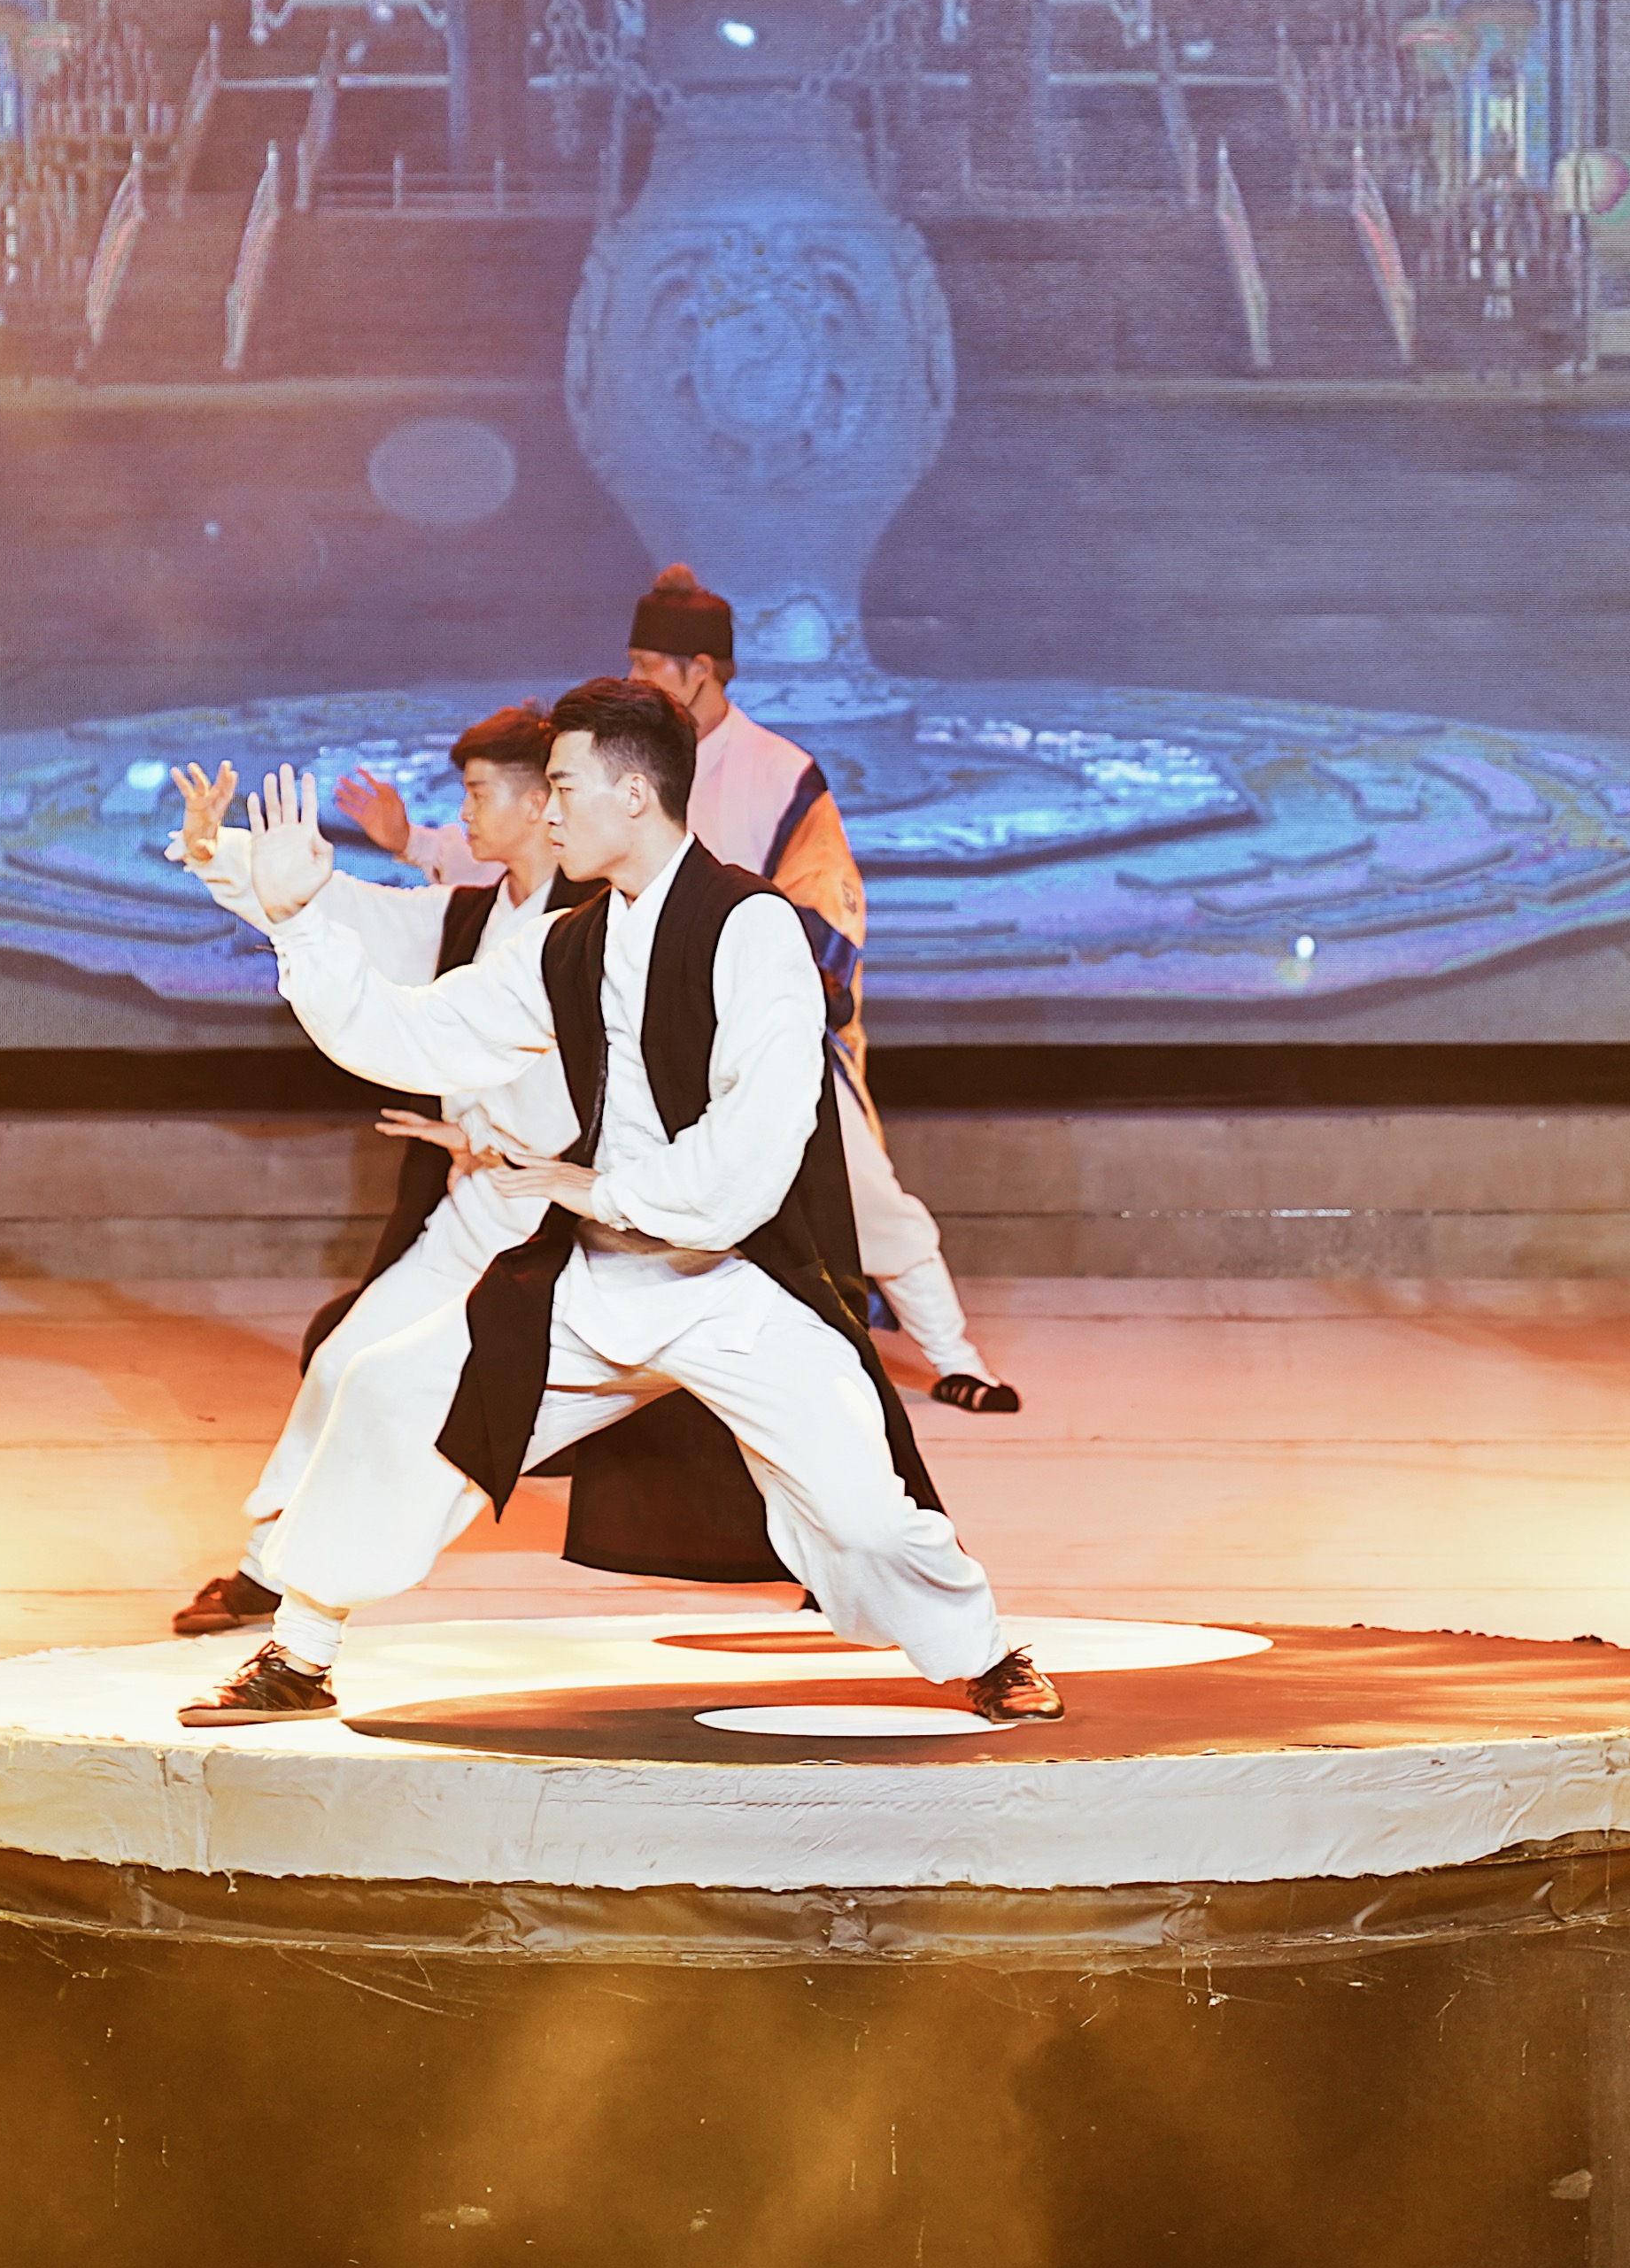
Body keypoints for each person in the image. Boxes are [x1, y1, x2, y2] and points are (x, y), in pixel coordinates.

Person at [184, 678, 1057, 1729]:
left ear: (634, 795)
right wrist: (296, 923)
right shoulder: (569, 942)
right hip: (594, 1285)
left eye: (562, 788)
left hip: (734, 1287)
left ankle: (983, 1652)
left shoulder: (751, 929)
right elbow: (416, 1036)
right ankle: (301, 1652)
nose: (547, 813)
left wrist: (602, 1187)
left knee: (865, 1513)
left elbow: (756, 1139)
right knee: (387, 1386)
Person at [344, 565, 1016, 1413]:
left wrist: (774, 988)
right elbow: (538, 852)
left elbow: (824, 894)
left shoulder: (778, 771)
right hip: (639, 1026)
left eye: (647, 664)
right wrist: (416, 844)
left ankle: (959, 1357)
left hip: (752, 1017)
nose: (634, 676)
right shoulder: (619, 761)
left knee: (866, 1197)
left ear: (701, 670)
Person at [172, 702, 582, 1640]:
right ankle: (269, 1570)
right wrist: (214, 850)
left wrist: (509, 1135)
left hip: (570, 1222)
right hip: (479, 1207)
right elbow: (344, 909)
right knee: (347, 1360)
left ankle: (859, 1557)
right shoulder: (469, 915)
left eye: (479, 792)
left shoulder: (594, 930)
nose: (463, 812)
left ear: (537, 802)